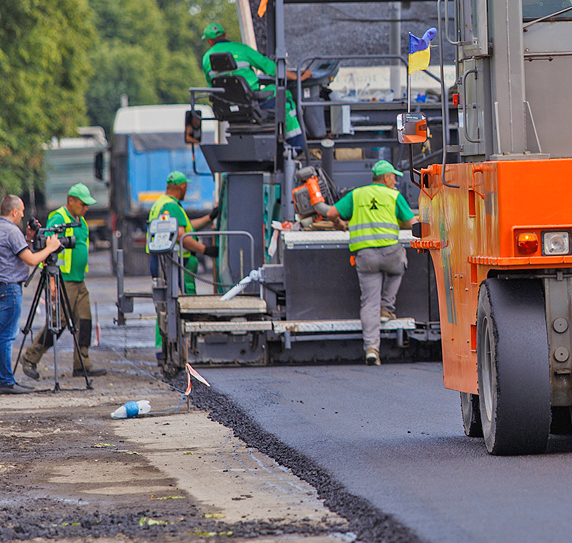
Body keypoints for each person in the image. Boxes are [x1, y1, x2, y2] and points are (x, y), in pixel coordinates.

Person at [329, 160, 414, 366]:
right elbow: (412, 224)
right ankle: (387, 306)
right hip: (390, 253)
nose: (395, 181)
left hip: (365, 256)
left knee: (368, 303)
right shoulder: (394, 196)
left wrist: (340, 224)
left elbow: (331, 213)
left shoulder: (357, 194)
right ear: (386, 178)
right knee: (400, 265)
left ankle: (371, 349)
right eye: (393, 177)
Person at [20, 183, 107, 379]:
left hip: (79, 280)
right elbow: (46, 248)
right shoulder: (59, 217)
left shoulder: (81, 221)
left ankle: (82, 364)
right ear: (71, 201)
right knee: (57, 323)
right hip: (61, 279)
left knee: (85, 320)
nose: (86, 208)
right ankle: (30, 358)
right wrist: (51, 282)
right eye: (83, 204)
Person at [0, 195, 61, 394]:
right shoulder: (11, 231)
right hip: (10, 288)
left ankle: (6, 380)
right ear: (14, 212)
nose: (22, 214)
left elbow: (14, 253)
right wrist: (50, 248)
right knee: (6, 336)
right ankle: (6, 382)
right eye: (21, 210)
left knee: (2, 334)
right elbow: (31, 259)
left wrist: (27, 237)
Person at [201, 21, 305, 151]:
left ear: (210, 42)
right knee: (284, 96)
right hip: (254, 104)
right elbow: (271, 68)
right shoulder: (242, 49)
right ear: (225, 34)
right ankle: (296, 145)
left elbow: (212, 86)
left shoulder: (206, 58)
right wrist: (296, 76)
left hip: (228, 107)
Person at [147, 171, 217, 296]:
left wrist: (209, 218)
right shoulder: (171, 206)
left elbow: (186, 227)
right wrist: (205, 250)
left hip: (162, 259)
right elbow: (180, 236)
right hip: (175, 261)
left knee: (164, 300)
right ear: (183, 187)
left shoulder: (161, 203)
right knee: (182, 301)